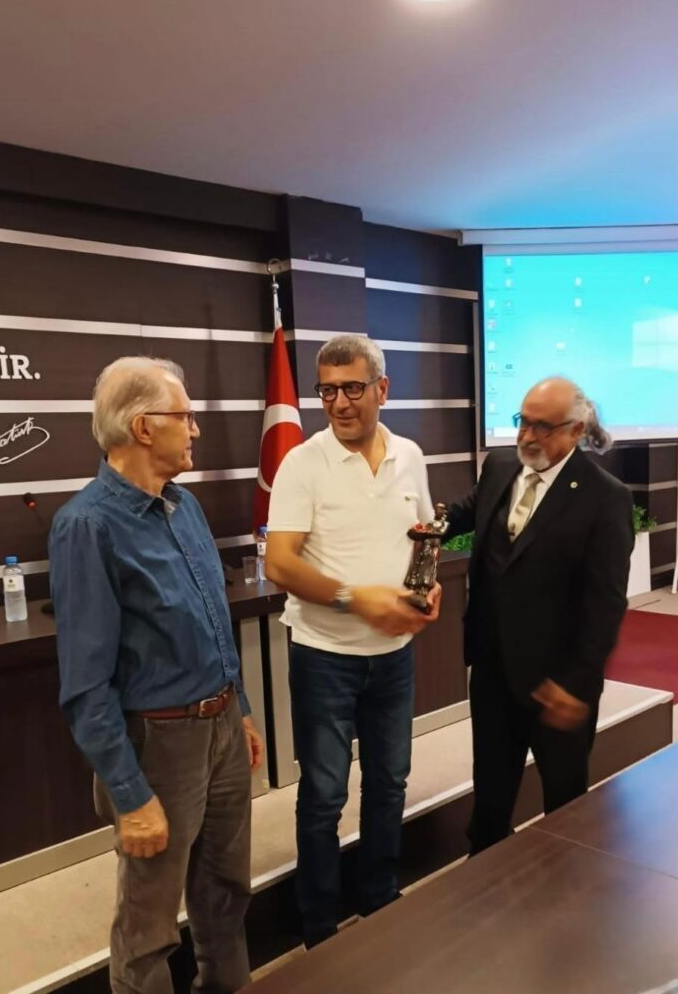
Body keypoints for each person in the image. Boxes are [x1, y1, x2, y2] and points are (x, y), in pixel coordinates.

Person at [49, 356, 263, 994]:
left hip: (221, 729)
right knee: (149, 931)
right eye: (185, 416)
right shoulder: (86, 527)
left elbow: (214, 621)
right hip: (159, 745)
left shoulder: (184, 506)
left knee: (226, 896)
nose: (196, 429)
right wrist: (130, 795)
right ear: (143, 427)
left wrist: (239, 708)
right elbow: (85, 688)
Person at [265, 334, 441, 949]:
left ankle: (379, 899)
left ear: (382, 389)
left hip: (393, 659)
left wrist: (428, 587)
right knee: (324, 796)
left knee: (390, 783)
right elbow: (280, 564)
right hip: (324, 658)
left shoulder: (410, 456)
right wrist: (354, 597)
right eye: (328, 390)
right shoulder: (301, 463)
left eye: (353, 388)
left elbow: (423, 537)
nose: (339, 403)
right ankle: (319, 928)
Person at [444, 376, 633, 854]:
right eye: (522, 422)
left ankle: (562, 888)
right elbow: (464, 513)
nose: (527, 436)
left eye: (542, 427)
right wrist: (423, 526)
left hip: (557, 684)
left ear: (576, 430)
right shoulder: (500, 465)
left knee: (564, 805)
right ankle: (483, 877)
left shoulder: (605, 497)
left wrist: (577, 682)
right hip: (492, 671)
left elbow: (606, 603)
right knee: (490, 797)